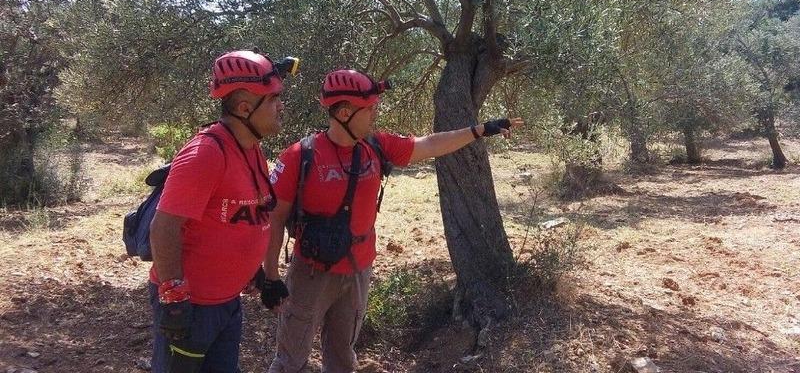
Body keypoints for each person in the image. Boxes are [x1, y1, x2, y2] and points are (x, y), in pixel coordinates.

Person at [263, 69, 522, 373]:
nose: (376, 113)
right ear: (345, 112)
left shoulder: (377, 146)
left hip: (358, 270)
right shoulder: (299, 156)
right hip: (310, 274)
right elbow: (274, 219)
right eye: (370, 108)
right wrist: (270, 277)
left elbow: (431, 144)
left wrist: (479, 130)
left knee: (342, 359)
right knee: (290, 361)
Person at [148, 49, 298, 373]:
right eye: (273, 99)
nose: (281, 105)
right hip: (193, 306)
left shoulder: (250, 148)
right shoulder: (206, 154)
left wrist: (256, 273)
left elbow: (242, 213)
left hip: (226, 303)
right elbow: (163, 227)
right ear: (245, 107)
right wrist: (174, 299)